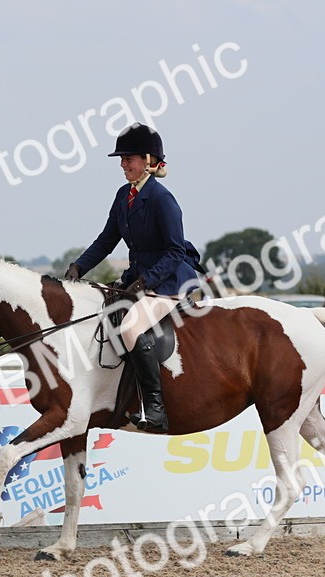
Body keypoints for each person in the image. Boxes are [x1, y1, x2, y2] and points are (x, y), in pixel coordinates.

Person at [63, 123, 202, 433]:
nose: (124, 164)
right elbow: (106, 240)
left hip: (169, 283)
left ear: (149, 161)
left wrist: (145, 282)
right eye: (122, 159)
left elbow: (175, 251)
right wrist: (79, 267)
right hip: (139, 280)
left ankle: (154, 407)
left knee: (130, 326)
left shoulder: (162, 199)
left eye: (130, 159)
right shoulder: (123, 195)